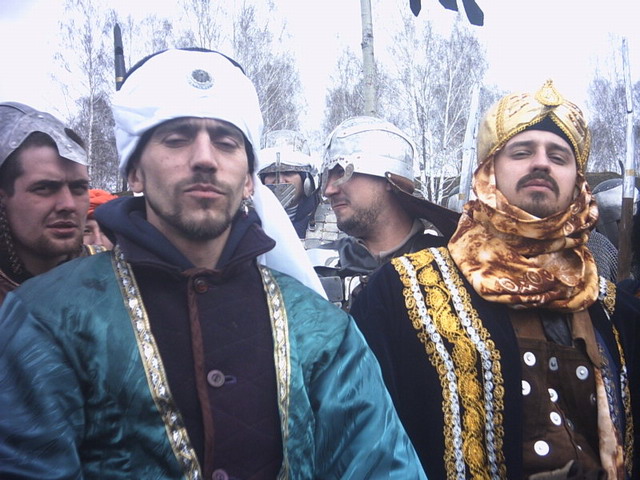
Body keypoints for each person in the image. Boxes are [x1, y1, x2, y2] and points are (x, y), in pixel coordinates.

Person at [0, 48, 426, 479]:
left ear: (248, 180)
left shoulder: (320, 328)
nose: (204, 157)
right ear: (135, 173)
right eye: (176, 138)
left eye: (226, 142)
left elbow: (381, 467)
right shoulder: (47, 318)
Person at [351, 81, 640, 479]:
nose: (541, 163)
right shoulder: (401, 292)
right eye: (521, 152)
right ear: (489, 170)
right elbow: (364, 444)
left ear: (578, 179)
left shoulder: (613, 310)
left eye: (559, 156)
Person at [309, 115, 458, 309]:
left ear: (389, 179)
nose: (329, 190)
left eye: (341, 172)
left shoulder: (452, 263)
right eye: (327, 177)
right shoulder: (314, 265)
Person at [0, 102, 97, 304]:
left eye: (79, 187)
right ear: (3, 197)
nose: (68, 205)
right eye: (44, 188)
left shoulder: (111, 278)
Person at [256, 129, 320, 238]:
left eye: (288, 173)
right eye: (271, 174)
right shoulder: (245, 222)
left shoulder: (333, 221)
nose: (280, 181)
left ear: (305, 179)